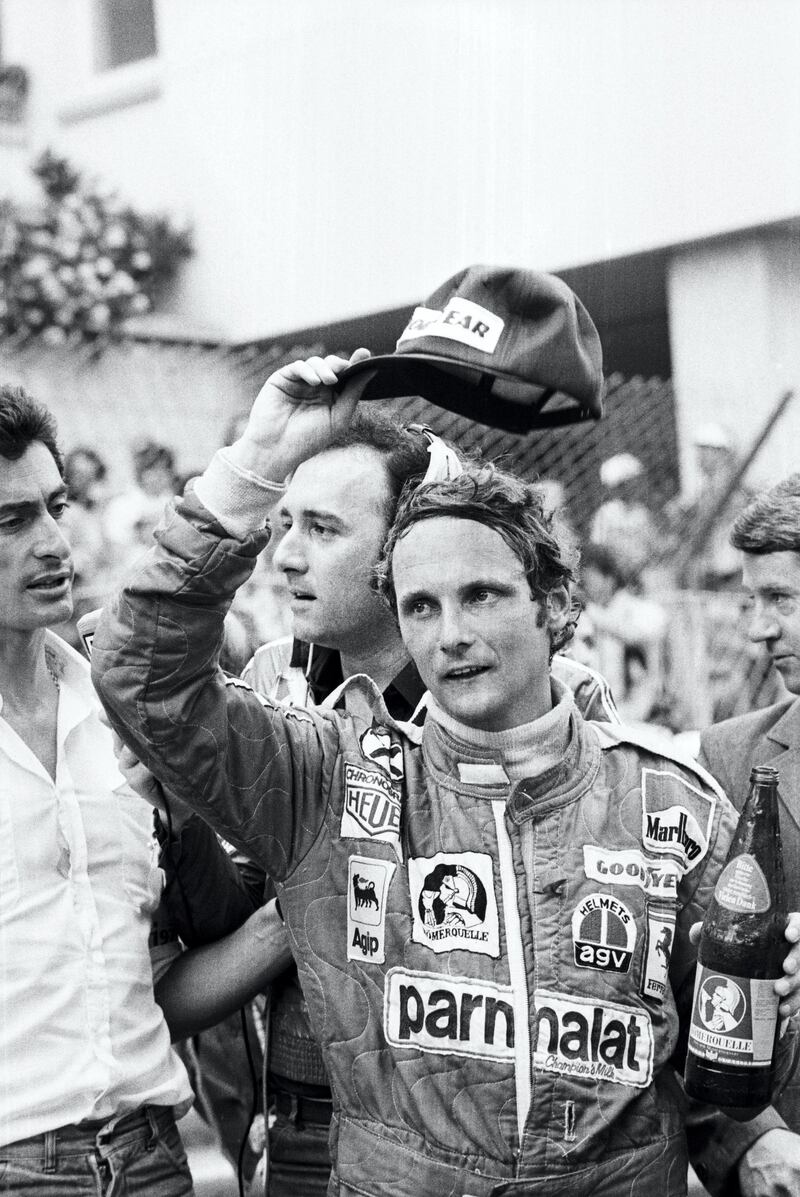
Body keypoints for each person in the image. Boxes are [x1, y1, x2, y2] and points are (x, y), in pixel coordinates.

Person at [93, 355, 800, 1197]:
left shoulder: (673, 802)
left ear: (555, 605)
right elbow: (142, 670)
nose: (451, 633)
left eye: (483, 595)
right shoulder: (327, 777)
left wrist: (760, 1114)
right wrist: (255, 461)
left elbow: (713, 1055)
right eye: (421, 605)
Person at [159, 407, 618, 1197]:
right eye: (284, 524)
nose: (286, 557)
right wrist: (304, 885)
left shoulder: (544, 692)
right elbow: (224, 924)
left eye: (325, 529)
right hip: (295, 1117)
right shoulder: (270, 680)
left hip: (476, 1129)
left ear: (403, 546)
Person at [0, 385, 196, 1195]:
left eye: (55, 505)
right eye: (11, 521)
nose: (55, 542)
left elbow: (137, 986)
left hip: (151, 1155)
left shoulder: (116, 711)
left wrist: (301, 911)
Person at [688, 473, 800, 1197]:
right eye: (750, 602)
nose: (759, 630)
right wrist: (750, 1143)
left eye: (781, 599)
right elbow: (677, 987)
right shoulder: (731, 760)